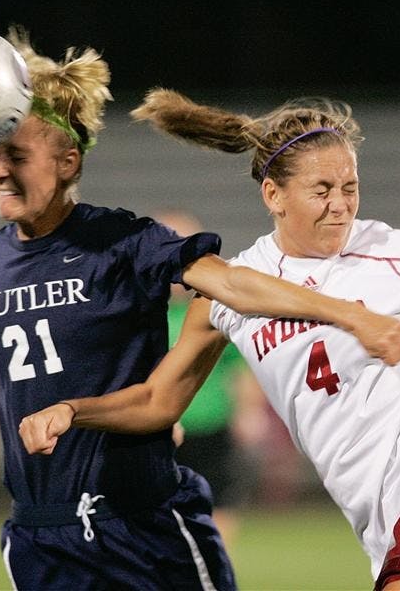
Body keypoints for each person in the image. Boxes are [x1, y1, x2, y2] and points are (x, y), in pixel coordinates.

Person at [18, 89, 400, 591]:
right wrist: (74, 410)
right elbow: (158, 401)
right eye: (322, 191)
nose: (340, 206)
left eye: (350, 188)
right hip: (387, 518)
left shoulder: (392, 251)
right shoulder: (236, 291)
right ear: (273, 195)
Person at [0, 30, 400, 591]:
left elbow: (229, 284)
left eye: (16, 155)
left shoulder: (121, 241)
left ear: (67, 161)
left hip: (141, 524)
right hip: (41, 535)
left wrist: (348, 314)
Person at [154, 209, 270, 549]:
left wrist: (249, 412)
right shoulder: (136, 313)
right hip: (158, 431)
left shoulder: (214, 307)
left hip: (212, 427)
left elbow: (240, 365)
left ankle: (213, 568)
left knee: (219, 504)